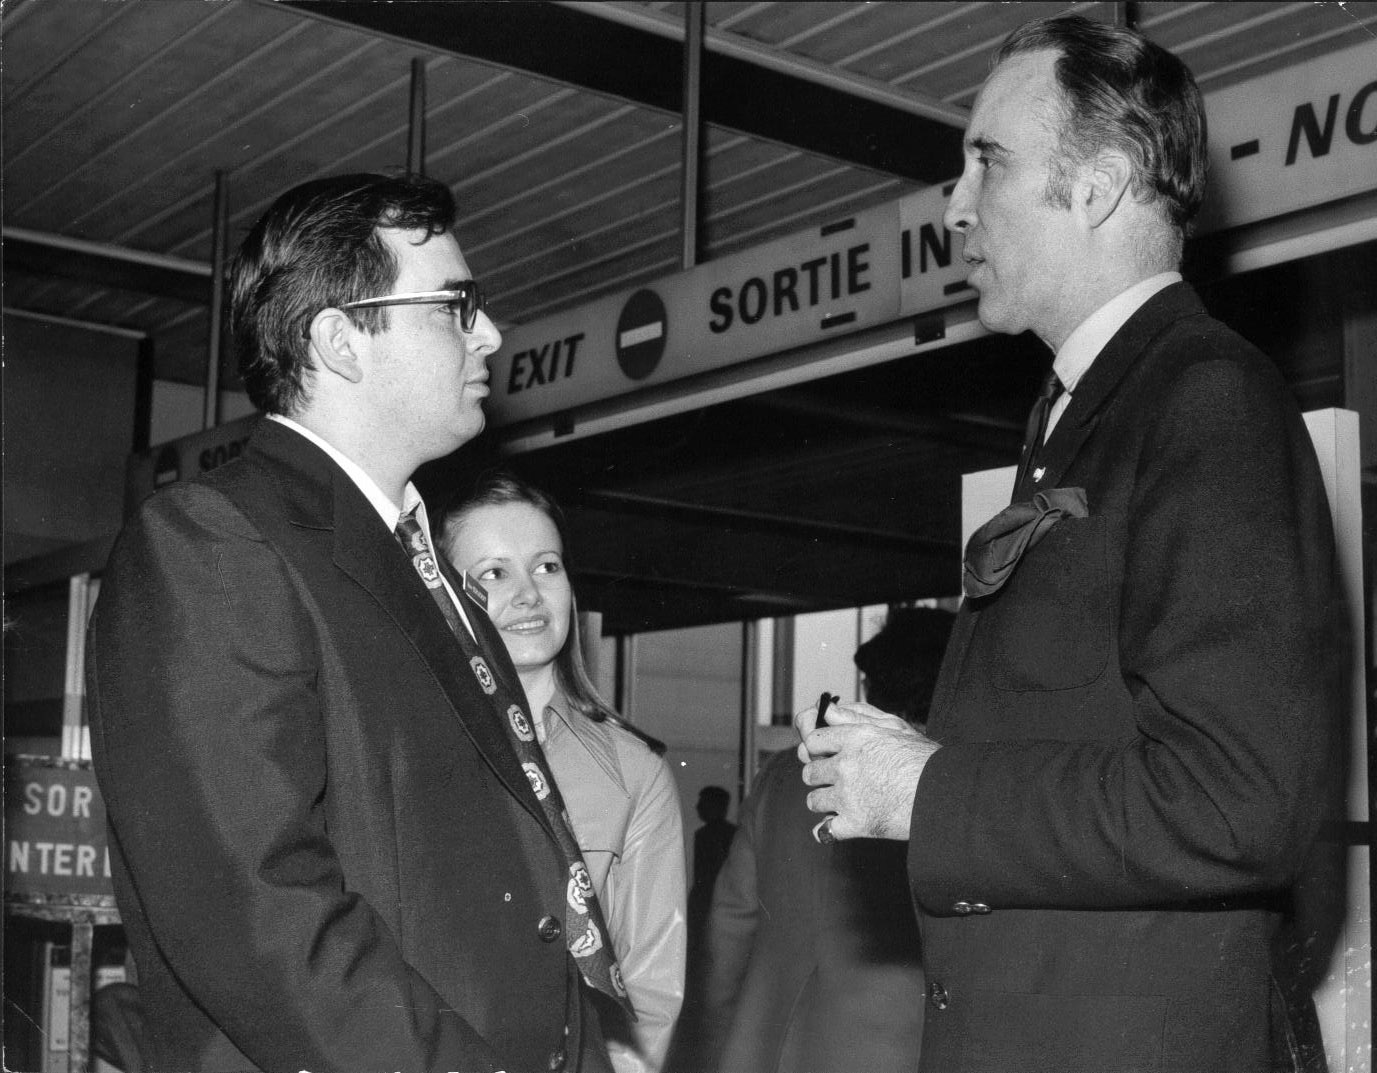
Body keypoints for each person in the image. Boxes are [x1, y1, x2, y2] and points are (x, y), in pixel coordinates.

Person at [796, 15, 1346, 1073]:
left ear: (1095, 189)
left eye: (986, 163)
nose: (954, 207)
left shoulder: (1205, 397)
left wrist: (925, 788)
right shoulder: (1086, 409)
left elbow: (1241, 800)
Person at [87, 173, 615, 1073]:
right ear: (339, 341)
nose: (487, 332)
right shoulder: (213, 544)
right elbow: (255, 911)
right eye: (455, 305)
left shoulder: (425, 569)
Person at [440, 473, 687, 1073]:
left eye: (546, 567)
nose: (529, 594)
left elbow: (649, 994)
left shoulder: (634, 771)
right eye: (494, 573)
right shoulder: (391, 740)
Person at [699, 608, 953, 1073]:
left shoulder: (783, 774)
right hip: (897, 1051)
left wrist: (717, 1036)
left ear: (871, 685)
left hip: (764, 1048)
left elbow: (729, 926)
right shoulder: (948, 790)